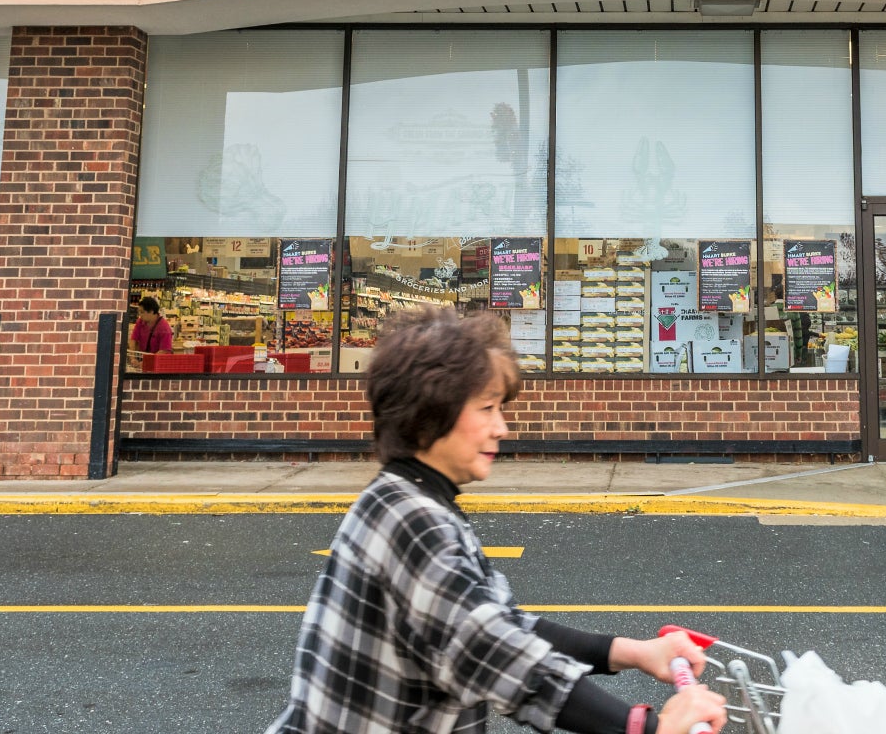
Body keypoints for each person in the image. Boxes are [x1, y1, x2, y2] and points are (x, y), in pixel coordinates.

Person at [270, 310, 728, 734]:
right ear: (430, 414)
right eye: (487, 408)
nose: (502, 427)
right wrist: (647, 726)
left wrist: (636, 653)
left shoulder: (407, 499)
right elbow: (499, 656)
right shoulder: (412, 521)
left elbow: (503, 623)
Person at [129, 295, 174, 366]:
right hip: (143, 360)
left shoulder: (164, 328)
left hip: (159, 364)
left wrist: (147, 362)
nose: (140, 315)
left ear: (152, 312)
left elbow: (164, 350)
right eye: (139, 312)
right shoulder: (140, 322)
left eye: (142, 312)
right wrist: (133, 358)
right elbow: (133, 340)